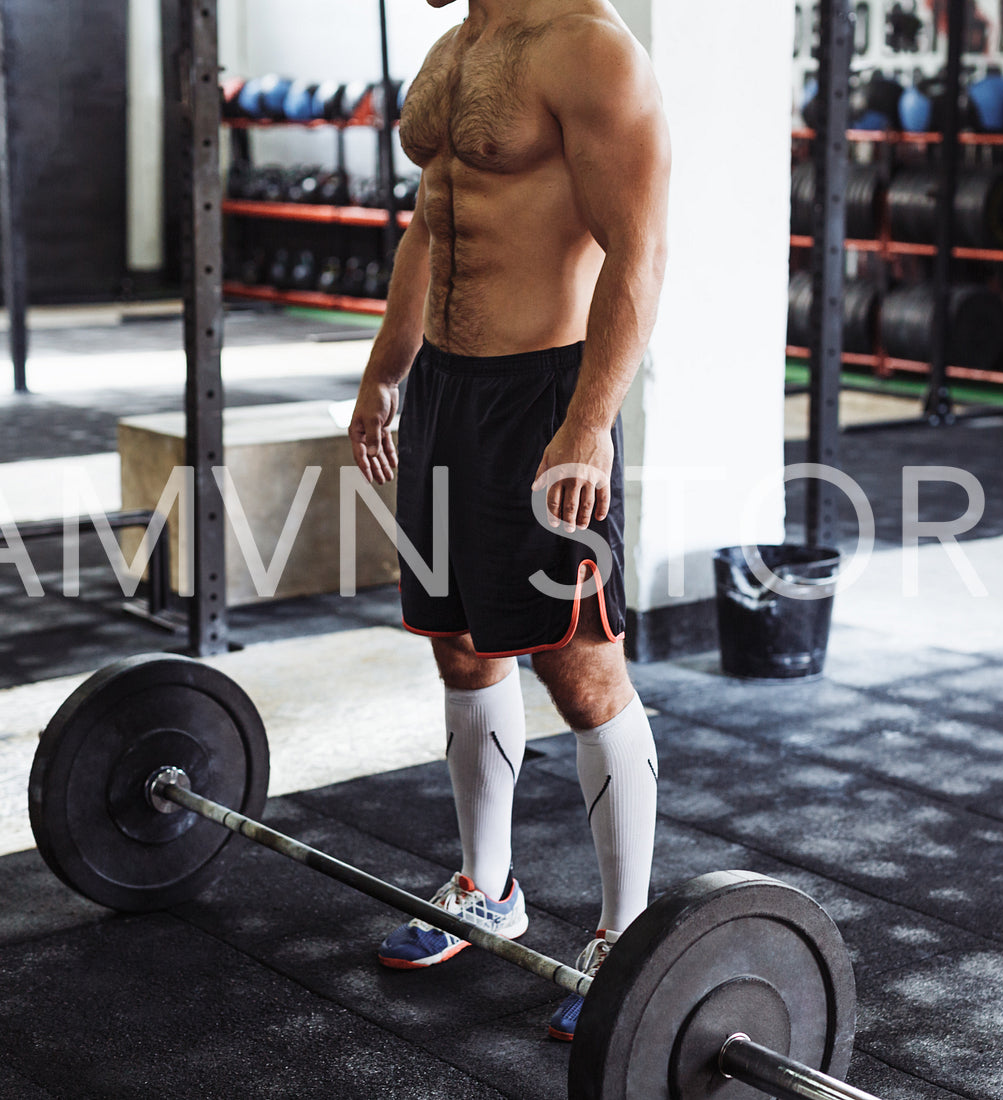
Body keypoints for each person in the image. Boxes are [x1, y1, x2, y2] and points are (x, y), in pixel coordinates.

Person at [348, 0, 670, 1042]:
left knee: (578, 662)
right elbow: (429, 225)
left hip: (541, 395)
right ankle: (487, 887)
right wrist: (384, 374)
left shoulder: (590, 48)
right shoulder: (452, 51)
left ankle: (625, 937)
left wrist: (588, 422)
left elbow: (638, 247)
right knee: (455, 644)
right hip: (443, 390)